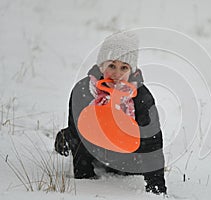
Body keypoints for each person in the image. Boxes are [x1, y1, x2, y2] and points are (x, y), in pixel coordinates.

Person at [54, 31, 167, 195]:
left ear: (132, 70)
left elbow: (152, 143)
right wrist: (84, 178)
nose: (117, 74)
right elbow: (78, 135)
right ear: (102, 66)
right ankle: (61, 141)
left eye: (124, 67)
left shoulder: (142, 97)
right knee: (68, 137)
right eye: (111, 66)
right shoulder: (84, 90)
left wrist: (156, 188)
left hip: (126, 154)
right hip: (94, 147)